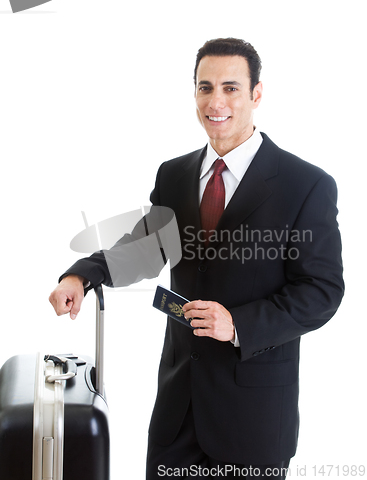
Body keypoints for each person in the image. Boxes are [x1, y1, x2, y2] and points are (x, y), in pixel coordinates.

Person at [49, 38, 344, 479]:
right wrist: (82, 276)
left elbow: (322, 291)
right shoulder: (175, 174)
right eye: (205, 88)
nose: (216, 101)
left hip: (253, 418)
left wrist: (238, 324)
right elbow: (147, 247)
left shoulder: (306, 184)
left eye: (230, 88)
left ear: (256, 95)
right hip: (177, 410)